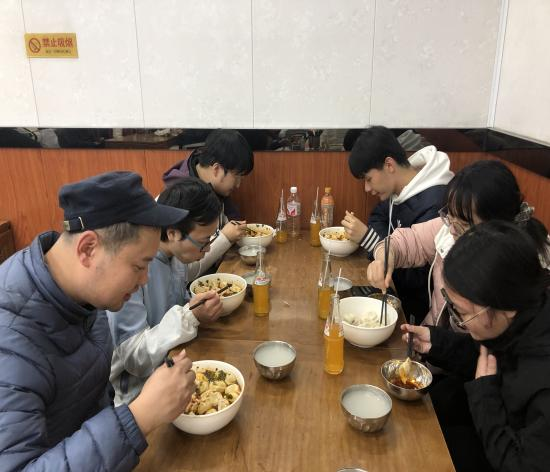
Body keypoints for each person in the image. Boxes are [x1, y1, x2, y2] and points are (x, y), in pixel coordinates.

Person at [0, 171, 196, 471]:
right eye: (138, 266)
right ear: (88, 249)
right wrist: (139, 417)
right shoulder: (11, 340)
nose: (145, 280)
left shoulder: (84, 293)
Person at [401, 221, 550, 471]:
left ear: (505, 308)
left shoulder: (543, 382)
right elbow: (487, 359)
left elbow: (521, 465)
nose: (458, 320)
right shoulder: (523, 313)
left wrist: (485, 397)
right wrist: (436, 342)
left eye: (461, 313)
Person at [367, 159, 550, 330]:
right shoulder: (450, 227)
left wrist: (439, 341)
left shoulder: (516, 273)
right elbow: (409, 240)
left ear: (497, 225)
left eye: (463, 224)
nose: (452, 230)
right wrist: (385, 257)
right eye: (450, 216)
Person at [108, 177, 224, 405]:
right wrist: (190, 316)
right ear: (172, 233)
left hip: (174, 363)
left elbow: (176, 302)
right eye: (203, 242)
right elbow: (134, 358)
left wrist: (199, 306)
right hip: (137, 395)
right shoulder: (132, 268)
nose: (208, 248)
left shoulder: (175, 255)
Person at [343, 125, 454, 318]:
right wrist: (384, 249)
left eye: (368, 179)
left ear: (389, 165)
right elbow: (377, 217)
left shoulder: (436, 204)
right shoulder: (397, 188)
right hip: (398, 294)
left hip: (418, 312)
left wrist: (370, 240)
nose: (367, 188)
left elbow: (419, 276)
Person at [162, 129, 254, 276]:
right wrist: (225, 238)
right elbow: (186, 270)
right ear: (216, 169)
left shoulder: (211, 186)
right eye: (237, 177)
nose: (238, 185)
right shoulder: (184, 197)